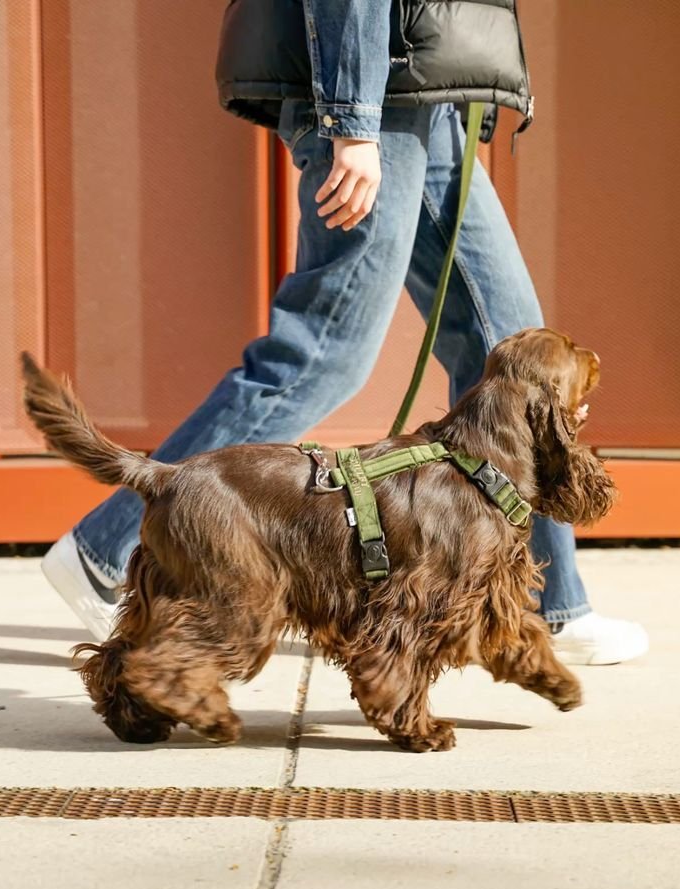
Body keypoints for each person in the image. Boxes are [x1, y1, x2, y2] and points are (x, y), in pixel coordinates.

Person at [41, 0, 647, 666]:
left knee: (505, 344)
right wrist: (352, 123)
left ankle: (538, 608)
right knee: (321, 355)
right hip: (377, 98)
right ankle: (110, 549)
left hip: (425, 94)